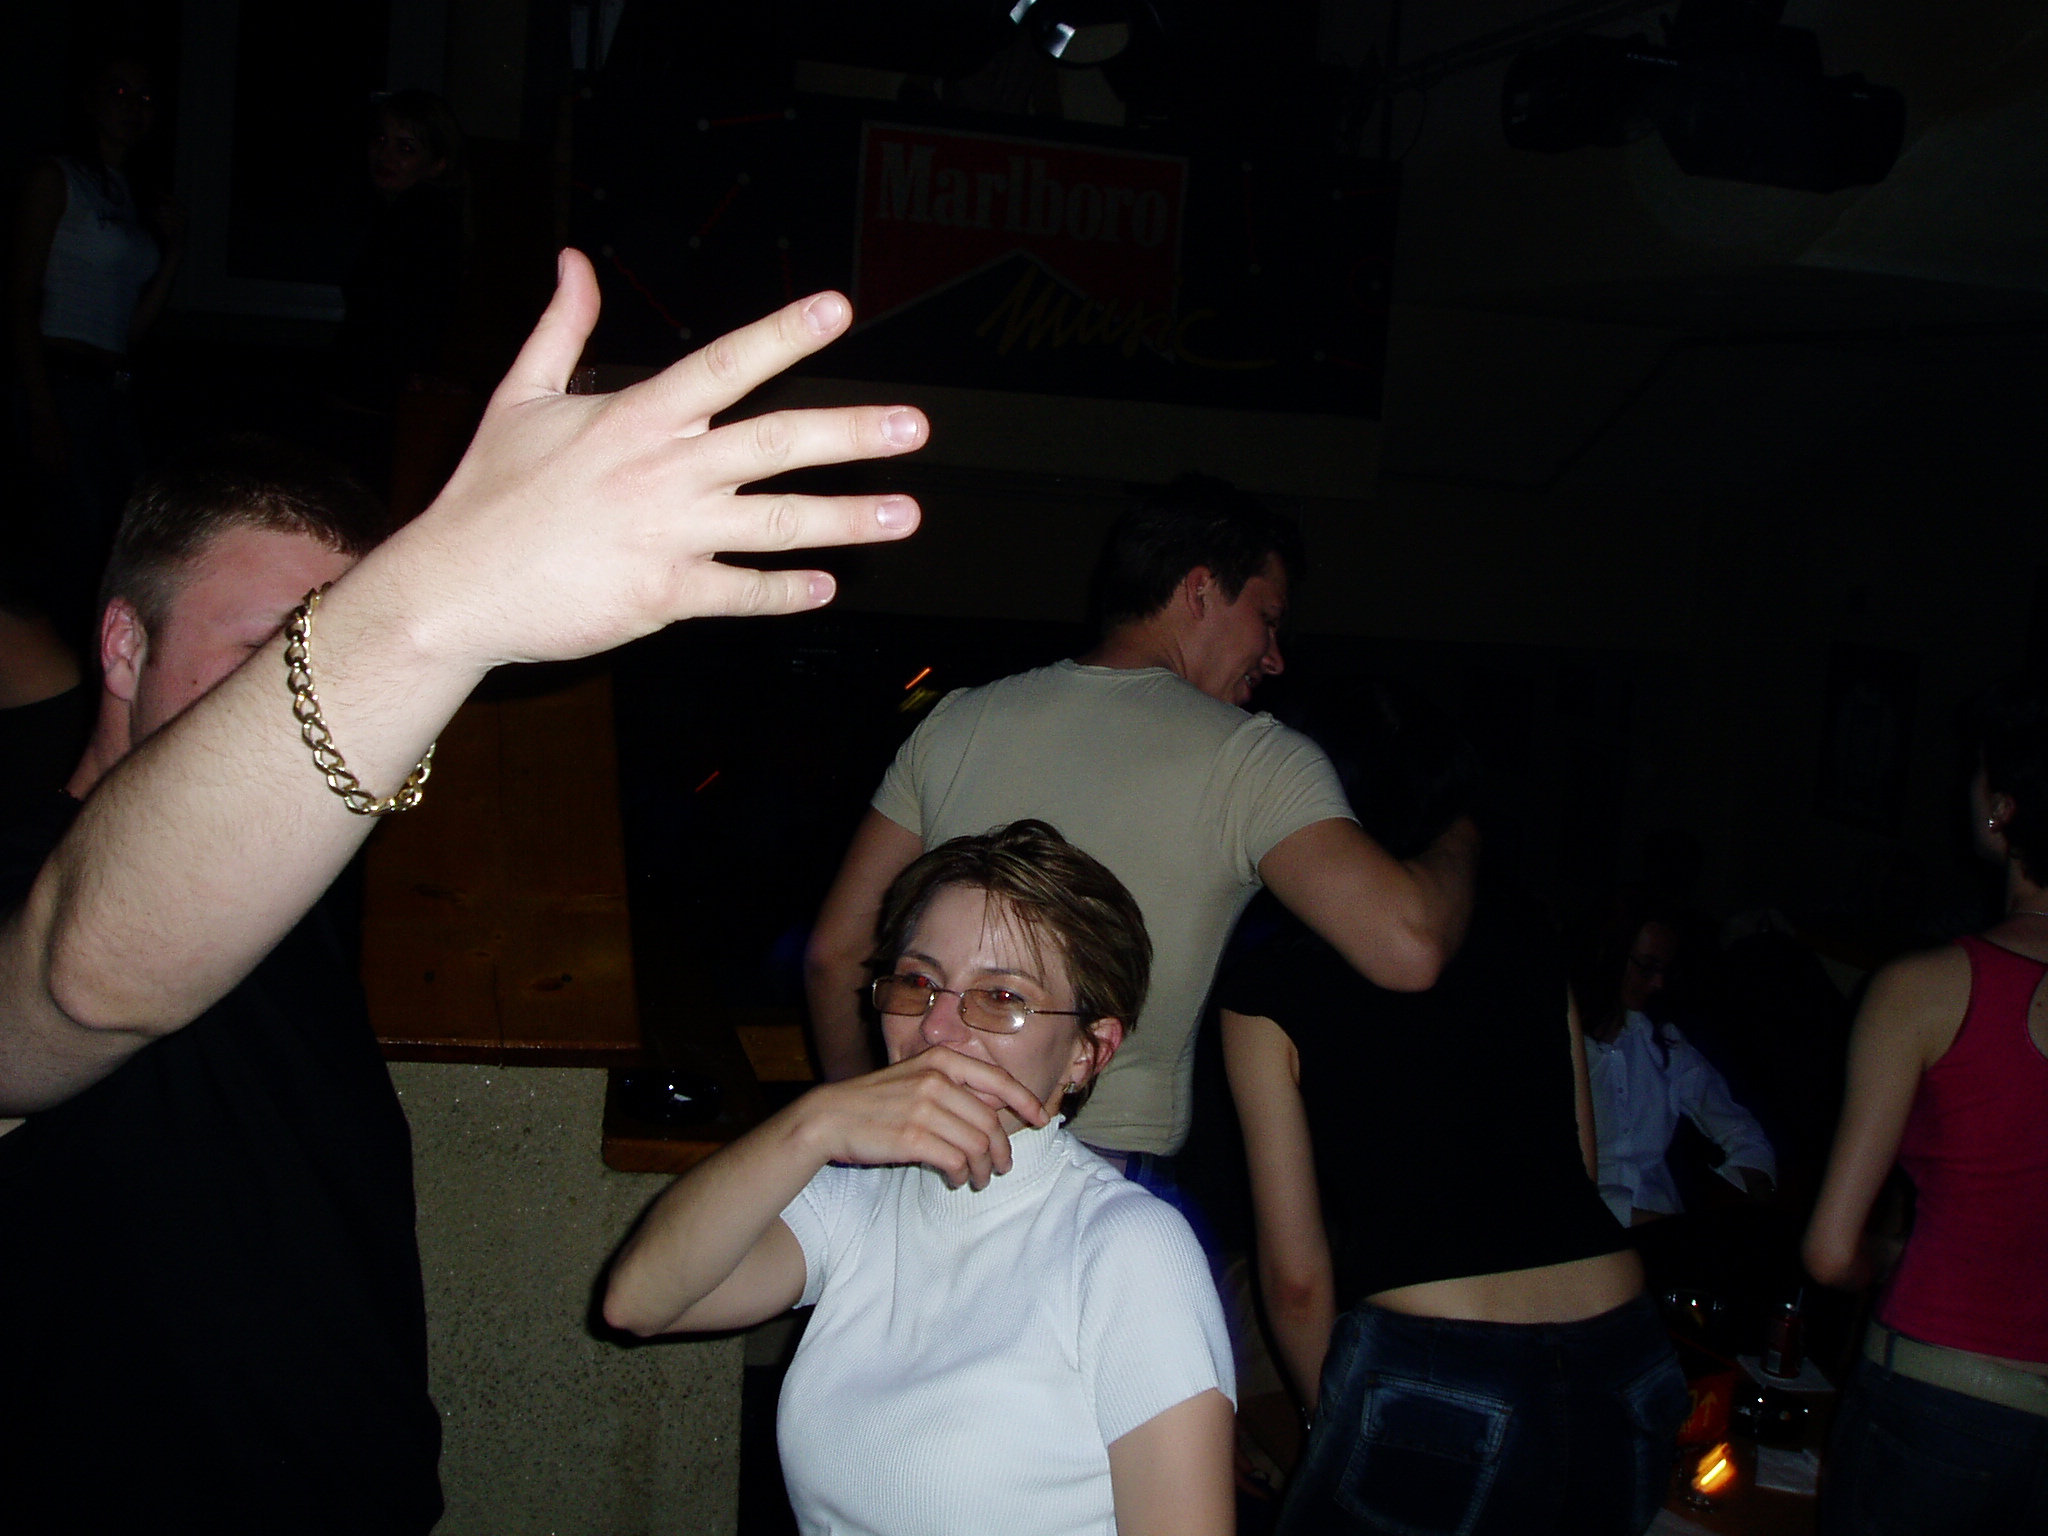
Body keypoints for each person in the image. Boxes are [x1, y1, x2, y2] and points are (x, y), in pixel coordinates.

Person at [0, 253, 931, 1528]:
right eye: (271, 649)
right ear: (124, 642)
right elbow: (81, 977)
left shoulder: (305, 917)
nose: (303, 692)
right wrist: (436, 605)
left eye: (322, 652)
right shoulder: (29, 869)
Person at [806, 474, 1476, 1175]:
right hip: (1096, 1179)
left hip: (924, 1155)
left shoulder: (955, 723)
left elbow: (834, 955)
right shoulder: (1254, 760)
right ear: (1200, 590)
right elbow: (1409, 945)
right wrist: (1459, 835)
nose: (1275, 656)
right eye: (1269, 618)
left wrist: (869, 1135)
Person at [606, 820, 1235, 1536]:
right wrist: (814, 1123)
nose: (936, 1028)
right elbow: (638, 1302)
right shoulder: (858, 1200)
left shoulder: (1128, 1248)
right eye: (917, 982)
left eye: (1001, 997)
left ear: (1087, 1053)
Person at [1219, 679, 1682, 1536]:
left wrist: (1331, 1422)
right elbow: (1580, 1167)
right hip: (1627, 1351)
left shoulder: (1266, 986)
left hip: (1440, 1366)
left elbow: (1296, 1279)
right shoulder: (1531, 939)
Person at [1803, 675, 2048, 1536]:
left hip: (1938, 1395)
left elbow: (1829, 1252)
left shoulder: (1924, 989)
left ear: (2003, 809)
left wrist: (1884, 1257)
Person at [9, 52, 184, 635]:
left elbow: (129, 328)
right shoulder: (55, 178)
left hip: (113, 391)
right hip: (61, 381)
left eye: (146, 97)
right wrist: (42, 411)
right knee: (76, 547)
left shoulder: (132, 194)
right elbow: (19, 297)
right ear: (88, 101)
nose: (134, 107)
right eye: (119, 92)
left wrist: (175, 252)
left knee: (127, 546)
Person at [1576, 901, 1776, 1226]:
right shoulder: (1560, 1046)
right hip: (1586, 1235)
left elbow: (1741, 1129)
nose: (1658, 984)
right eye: (1646, 967)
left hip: (1668, 1229)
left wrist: (1753, 1189)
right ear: (1608, 954)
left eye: (1665, 971)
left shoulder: (1662, 1041)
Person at [322, 90, 469, 496]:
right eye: (380, 140)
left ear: (438, 163)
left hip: (374, 403)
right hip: (378, 400)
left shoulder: (421, 214)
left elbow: (405, 312)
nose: (385, 156)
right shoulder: (415, 214)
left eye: (405, 148)